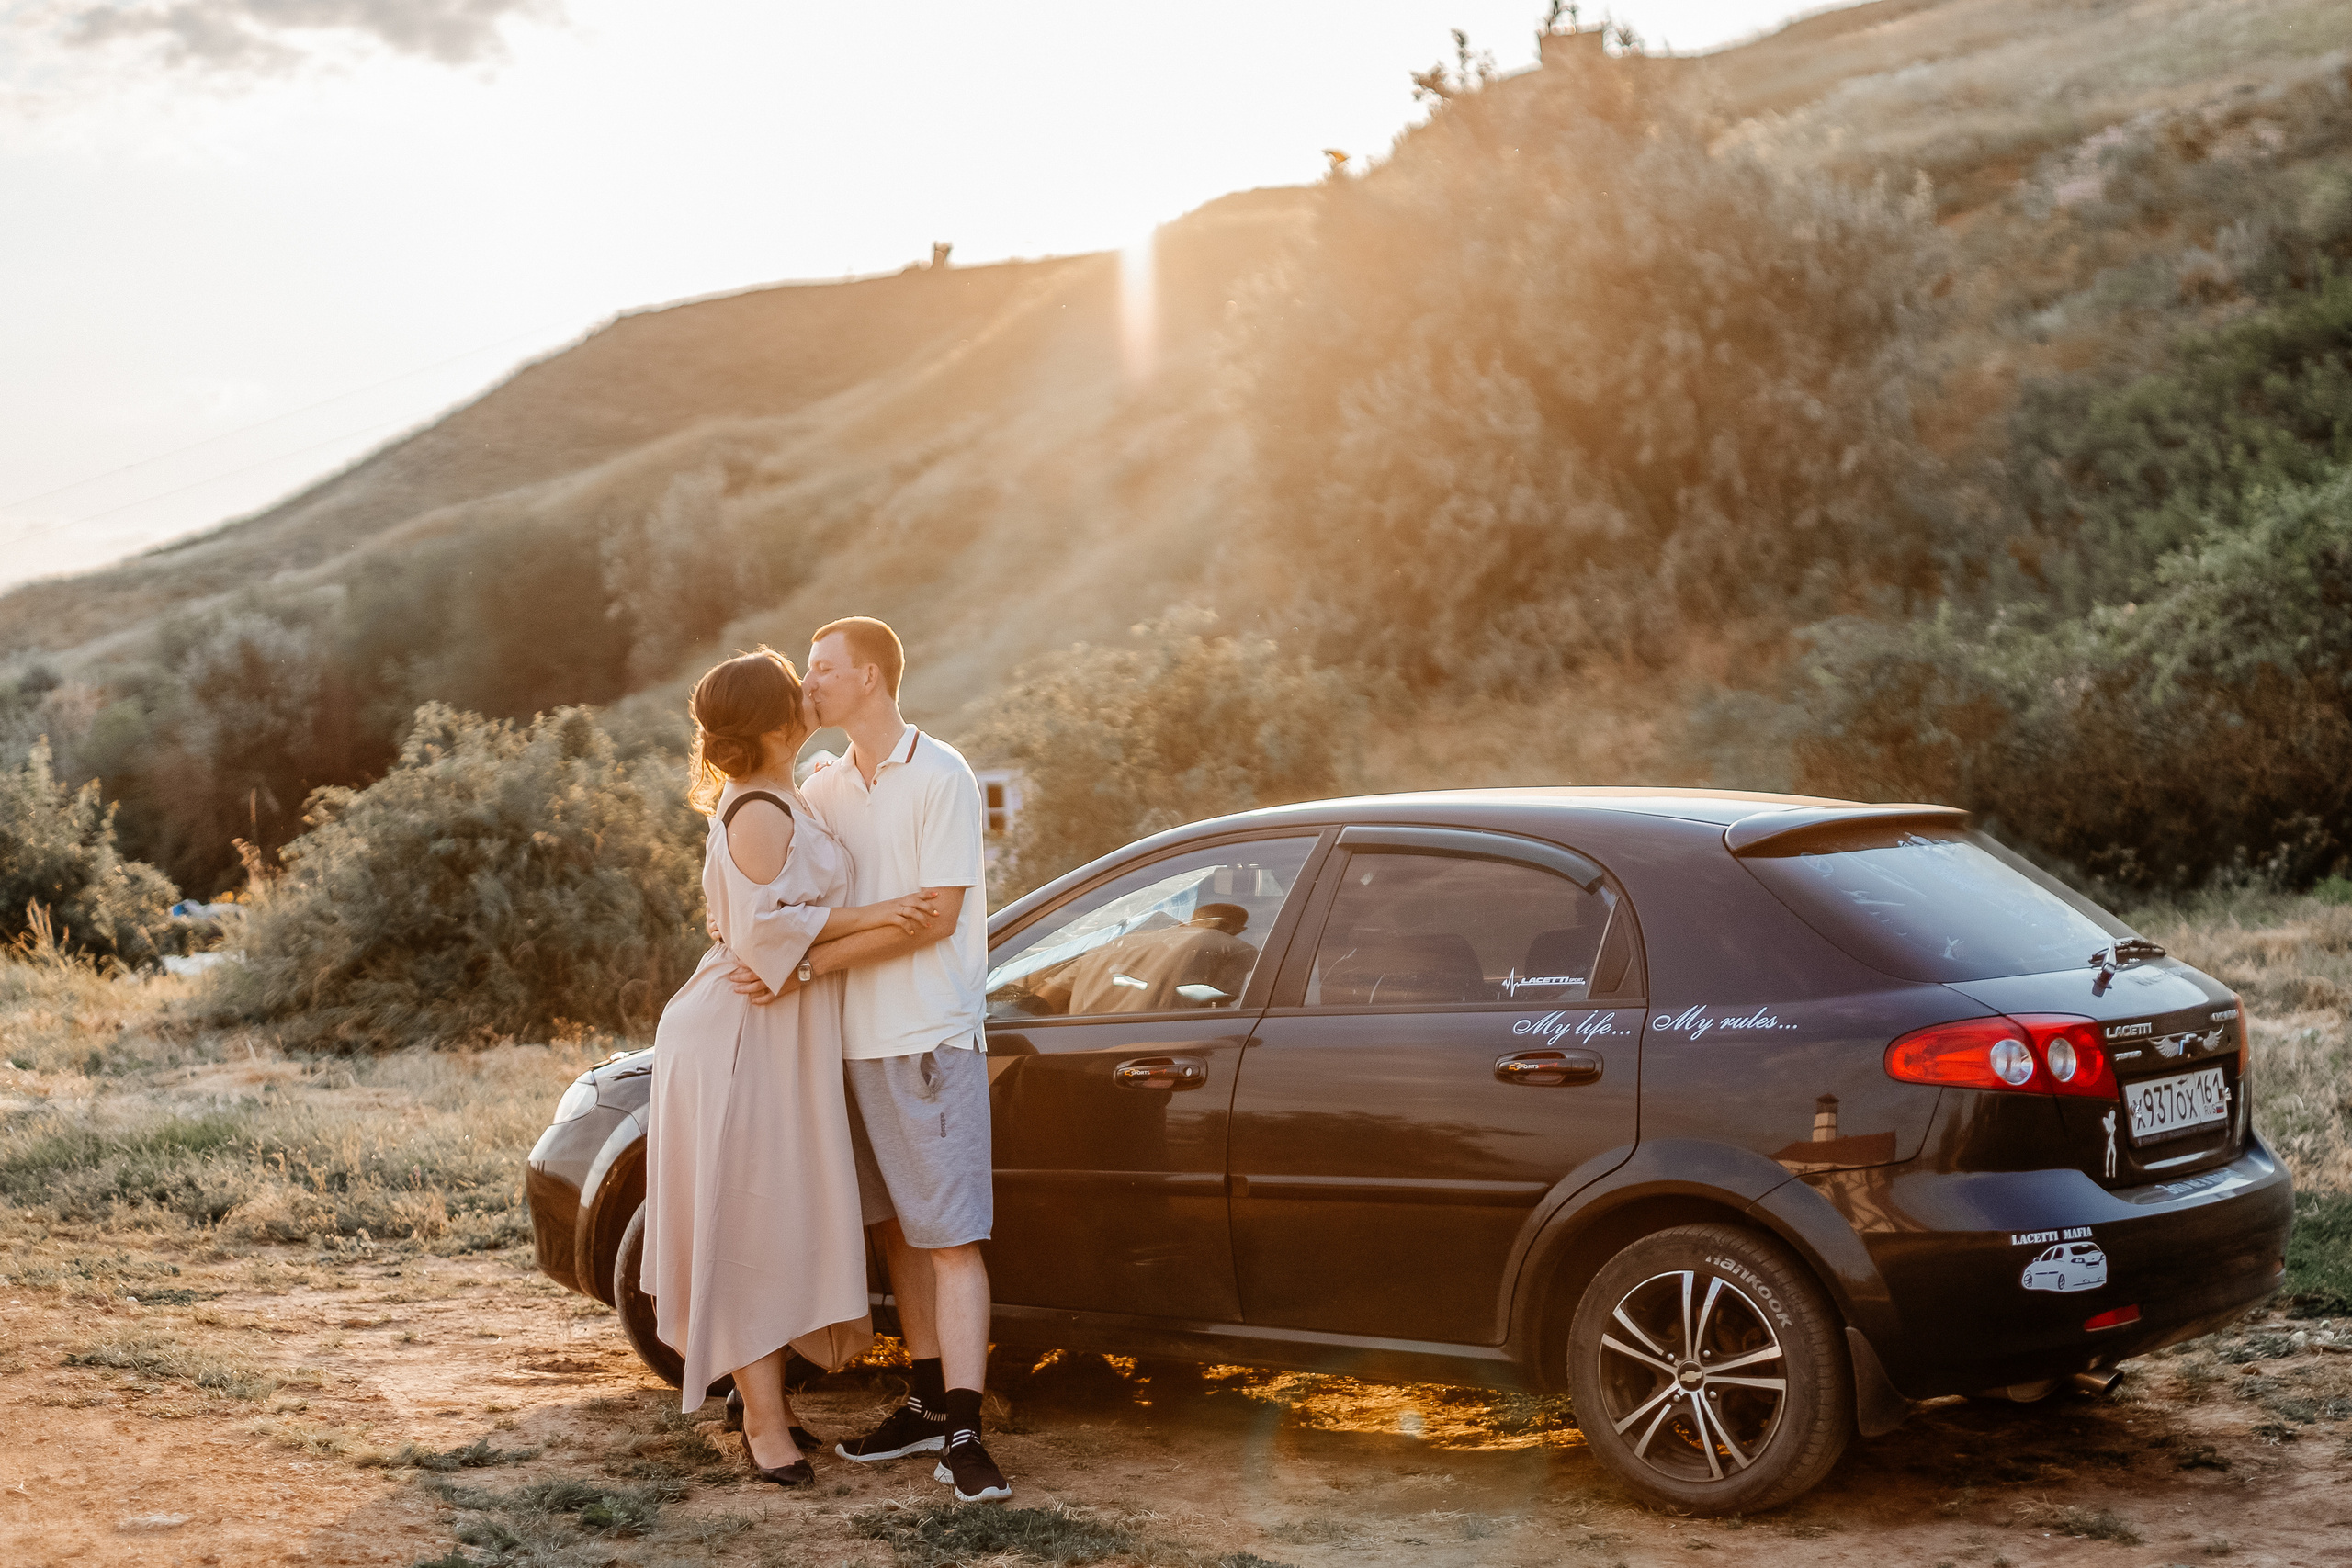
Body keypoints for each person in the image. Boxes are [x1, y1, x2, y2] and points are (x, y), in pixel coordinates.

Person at [641, 648, 941, 1487]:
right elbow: (768, 938)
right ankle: (763, 1426)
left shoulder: (788, 792)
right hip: (744, 1031)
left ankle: (768, 1404)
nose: (809, 695)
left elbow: (785, 925)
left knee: (777, 1219)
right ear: (774, 724)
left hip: (781, 1024)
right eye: (796, 690)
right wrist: (882, 911)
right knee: (747, 1224)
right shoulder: (759, 811)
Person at [728, 615, 1009, 1504]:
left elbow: (934, 916)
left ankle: (965, 1434)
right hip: (849, 1048)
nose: (807, 686)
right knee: (897, 1232)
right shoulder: (825, 785)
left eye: (822, 670)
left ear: (873, 680)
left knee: (953, 1240)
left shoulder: (944, 776)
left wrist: (803, 964)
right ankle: (925, 1400)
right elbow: (780, 880)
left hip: (929, 1038)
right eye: (808, 672)